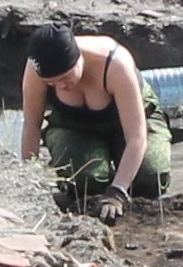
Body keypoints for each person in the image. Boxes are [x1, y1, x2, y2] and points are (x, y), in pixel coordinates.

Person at [20, 22, 168, 202]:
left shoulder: (115, 65)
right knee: (84, 183)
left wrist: (118, 190)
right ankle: (100, 169)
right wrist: (30, 180)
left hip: (130, 123)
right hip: (75, 127)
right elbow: (31, 126)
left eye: (65, 77)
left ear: (78, 59)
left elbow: (137, 136)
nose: (61, 86)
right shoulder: (36, 69)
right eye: (52, 83)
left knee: (150, 179)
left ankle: (119, 171)